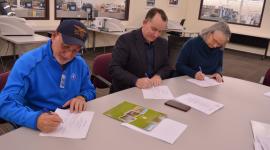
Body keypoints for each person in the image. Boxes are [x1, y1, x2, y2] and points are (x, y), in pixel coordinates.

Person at [0, 20, 96, 134]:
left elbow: (89, 89)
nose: (68, 55)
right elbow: (5, 104)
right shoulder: (28, 63)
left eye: (75, 50)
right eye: (65, 46)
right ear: (54, 36)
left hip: (69, 122)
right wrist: (36, 119)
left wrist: (82, 97)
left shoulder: (79, 63)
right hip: (36, 125)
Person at [109, 8, 172, 93]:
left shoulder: (163, 43)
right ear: (144, 23)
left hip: (153, 90)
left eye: (160, 31)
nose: (156, 35)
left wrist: (158, 75)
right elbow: (114, 68)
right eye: (154, 29)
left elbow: (166, 66)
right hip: (127, 90)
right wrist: (136, 81)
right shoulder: (126, 40)